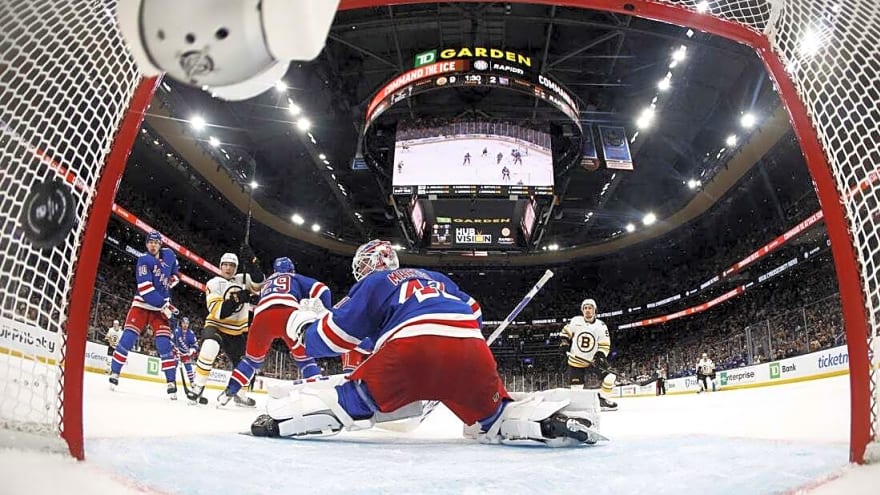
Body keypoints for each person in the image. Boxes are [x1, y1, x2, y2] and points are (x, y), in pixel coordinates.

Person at [249, 239, 604, 446]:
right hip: (470, 351)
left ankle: (278, 422)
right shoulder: (437, 278)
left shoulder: (374, 283)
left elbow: (332, 339)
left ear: (371, 264)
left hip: (410, 352)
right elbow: (474, 313)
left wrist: (302, 326)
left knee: (351, 399)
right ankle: (545, 422)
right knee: (494, 418)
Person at [217, 257, 329, 406]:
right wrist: (326, 312)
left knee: (250, 361)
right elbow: (322, 289)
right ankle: (319, 394)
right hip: (288, 314)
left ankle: (229, 391)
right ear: (291, 269)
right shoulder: (293, 277)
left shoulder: (267, 283)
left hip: (261, 317)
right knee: (305, 359)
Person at [109, 231, 180, 399]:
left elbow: (176, 271)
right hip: (142, 305)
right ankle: (114, 373)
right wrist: (165, 305)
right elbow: (146, 290)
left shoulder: (170, 255)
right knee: (127, 339)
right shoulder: (144, 260)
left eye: (156, 242)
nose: (153, 245)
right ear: (146, 244)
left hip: (160, 309)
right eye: (150, 242)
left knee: (164, 345)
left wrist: (173, 279)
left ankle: (171, 382)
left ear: (160, 244)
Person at [188, 252, 263, 405]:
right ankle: (198, 386)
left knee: (245, 365)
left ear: (236, 268)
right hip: (216, 325)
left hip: (238, 331)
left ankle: (240, 395)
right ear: (220, 266)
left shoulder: (243, 279)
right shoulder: (213, 283)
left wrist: (252, 262)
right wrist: (239, 298)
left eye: (232, 265)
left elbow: (259, 283)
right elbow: (220, 312)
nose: (228, 268)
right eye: (226, 265)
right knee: (209, 346)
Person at [559, 298, 618, 411]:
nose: (587, 310)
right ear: (582, 310)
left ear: (594, 310)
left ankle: (603, 400)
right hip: (576, 360)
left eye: (590, 308)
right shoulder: (576, 321)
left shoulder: (601, 326)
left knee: (611, 376)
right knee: (576, 389)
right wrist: (564, 342)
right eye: (585, 308)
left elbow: (605, 344)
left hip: (593, 360)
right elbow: (565, 332)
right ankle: (580, 407)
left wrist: (600, 355)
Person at [172, 317, 199, 387]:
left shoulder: (191, 334)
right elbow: (171, 340)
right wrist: (174, 347)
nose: (185, 325)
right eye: (184, 323)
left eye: (187, 323)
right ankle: (172, 381)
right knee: (174, 365)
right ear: (181, 323)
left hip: (185, 353)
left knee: (188, 367)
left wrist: (192, 349)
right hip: (176, 352)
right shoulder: (176, 331)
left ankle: (192, 382)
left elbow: (195, 345)